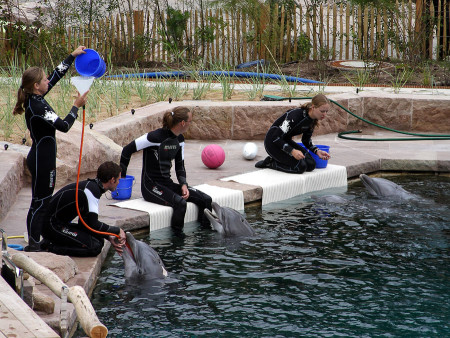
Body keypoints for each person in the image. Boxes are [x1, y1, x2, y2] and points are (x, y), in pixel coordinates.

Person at [12, 46, 89, 252]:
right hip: (42, 160)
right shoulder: (38, 106)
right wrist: (76, 105)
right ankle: (34, 243)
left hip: (40, 156)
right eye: (45, 80)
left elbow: (56, 75)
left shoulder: (34, 96)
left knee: (39, 200)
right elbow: (63, 126)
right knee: (41, 201)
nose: (49, 81)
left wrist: (71, 56)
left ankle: (34, 240)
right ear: (36, 86)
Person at [120, 106, 212, 238]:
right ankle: (177, 240)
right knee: (180, 204)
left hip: (166, 184)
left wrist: (183, 184)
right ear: (183, 123)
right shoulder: (154, 137)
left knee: (205, 200)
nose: (191, 124)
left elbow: (180, 166)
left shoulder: (179, 140)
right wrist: (122, 177)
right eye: (190, 121)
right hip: (150, 186)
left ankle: (204, 236)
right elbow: (126, 150)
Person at [42, 161, 126, 257]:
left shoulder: (92, 187)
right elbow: (93, 224)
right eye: (118, 179)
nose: (118, 183)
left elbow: (85, 224)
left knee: (98, 239)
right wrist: (117, 231)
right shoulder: (91, 191)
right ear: (112, 180)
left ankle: (53, 242)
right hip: (51, 226)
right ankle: (49, 247)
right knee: (94, 247)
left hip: (58, 224)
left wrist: (108, 236)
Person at [255, 94, 331, 174]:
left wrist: (317, 151)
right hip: (272, 143)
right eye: (322, 111)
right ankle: (270, 163)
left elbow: (306, 140)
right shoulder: (295, 117)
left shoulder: (312, 120)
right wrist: (292, 151)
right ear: (313, 107)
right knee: (300, 167)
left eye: (326, 111)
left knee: (311, 165)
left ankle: (280, 160)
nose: (324, 114)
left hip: (285, 141)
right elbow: (276, 137)